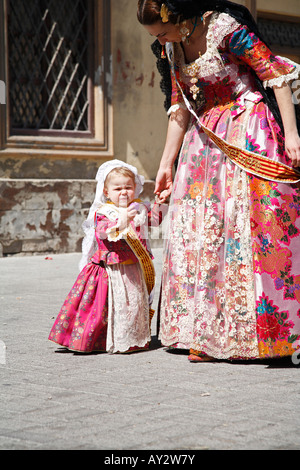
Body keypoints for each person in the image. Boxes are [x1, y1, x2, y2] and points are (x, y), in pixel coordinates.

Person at [137, 0, 300, 362]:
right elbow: (179, 108)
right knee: (200, 230)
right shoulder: (171, 47)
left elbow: (276, 75)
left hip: (246, 126)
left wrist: (291, 135)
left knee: (244, 227)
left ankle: (256, 336)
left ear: (180, 17)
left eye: (162, 31)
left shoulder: (225, 30)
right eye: (155, 36)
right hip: (204, 140)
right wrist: (166, 163)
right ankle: (204, 331)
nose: (160, 39)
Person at [48, 159, 166, 354]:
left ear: (135, 188)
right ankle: (99, 340)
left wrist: (162, 202)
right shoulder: (103, 212)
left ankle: (133, 339)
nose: (123, 192)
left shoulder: (140, 208)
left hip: (134, 267)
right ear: (106, 192)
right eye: (118, 188)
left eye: (128, 187)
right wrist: (121, 222)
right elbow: (102, 233)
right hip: (111, 269)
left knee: (133, 305)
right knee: (108, 305)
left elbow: (155, 220)